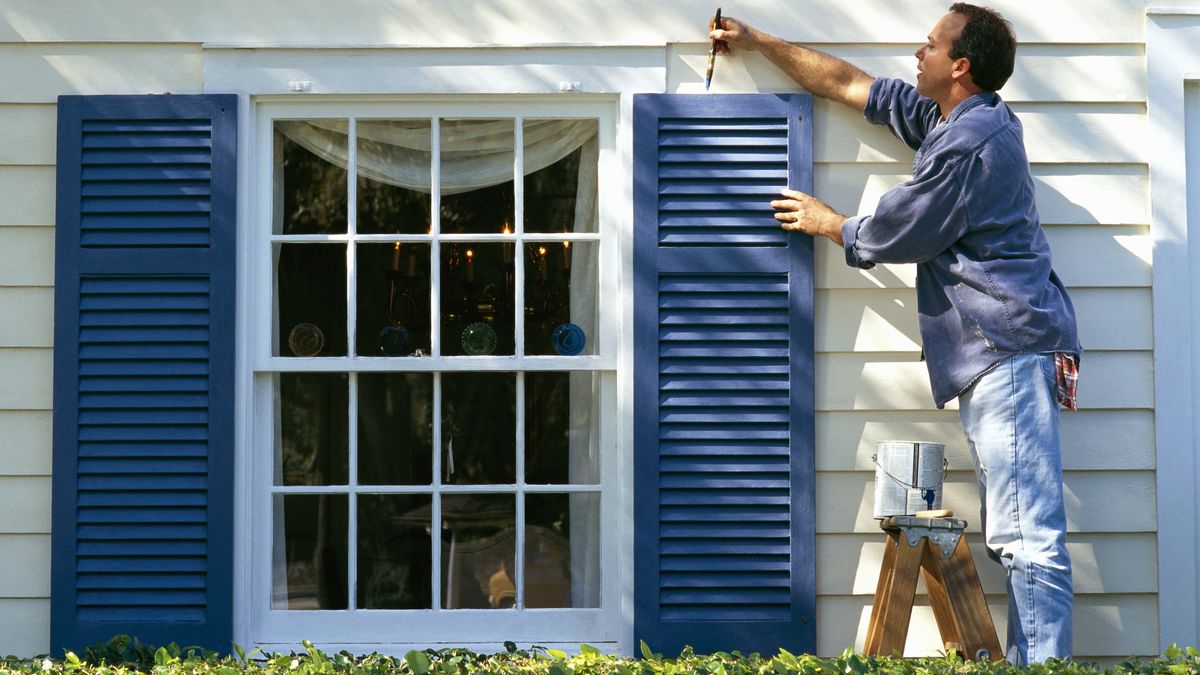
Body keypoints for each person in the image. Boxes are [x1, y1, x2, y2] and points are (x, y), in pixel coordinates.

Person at [710, 3, 1081, 665]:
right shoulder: (954, 121)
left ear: (960, 66)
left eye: (931, 44)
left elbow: (901, 230)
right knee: (1019, 533)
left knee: (1029, 538)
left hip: (1011, 351)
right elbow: (852, 87)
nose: (918, 51)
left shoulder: (970, 143)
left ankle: (1044, 664)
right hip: (1005, 351)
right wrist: (754, 40)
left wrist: (830, 222)